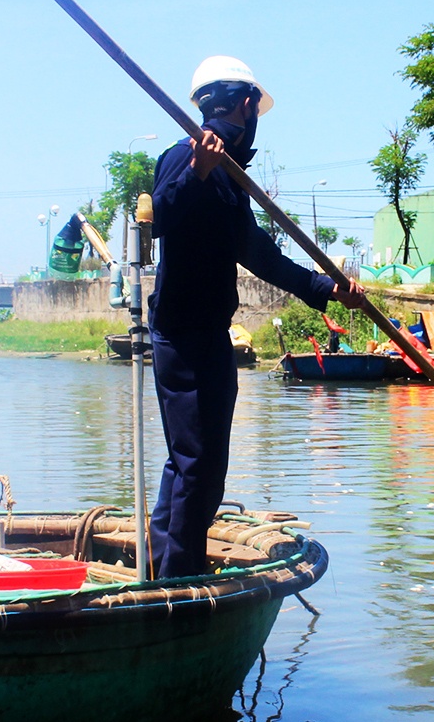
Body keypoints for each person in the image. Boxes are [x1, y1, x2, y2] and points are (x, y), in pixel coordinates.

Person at [146, 55, 366, 579]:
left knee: (192, 462)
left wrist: (329, 289)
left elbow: (260, 254)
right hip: (181, 333)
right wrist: (197, 172)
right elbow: (160, 218)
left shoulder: (230, 176)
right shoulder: (185, 156)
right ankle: (179, 582)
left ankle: (163, 568)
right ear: (246, 104)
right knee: (197, 465)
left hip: (208, 333)